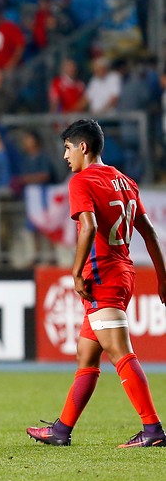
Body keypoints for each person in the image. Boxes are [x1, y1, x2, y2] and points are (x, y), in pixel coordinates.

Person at [27, 119, 166, 448]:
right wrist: (162, 279)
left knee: (119, 351)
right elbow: (149, 232)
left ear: (83, 147)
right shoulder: (125, 181)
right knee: (86, 354)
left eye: (67, 148)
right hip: (123, 273)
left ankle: (152, 430)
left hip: (101, 276)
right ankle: (61, 430)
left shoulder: (81, 181)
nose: (65, 156)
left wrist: (76, 272)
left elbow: (88, 226)